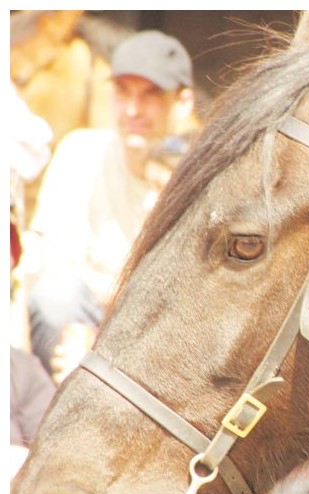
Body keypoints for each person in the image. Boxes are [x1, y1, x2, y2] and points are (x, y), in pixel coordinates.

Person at [26, 30, 195, 381]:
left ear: (183, 102)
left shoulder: (199, 173)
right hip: (83, 331)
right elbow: (52, 270)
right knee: (55, 296)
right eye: (123, 92)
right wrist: (82, 345)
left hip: (164, 340)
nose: (133, 109)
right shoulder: (79, 153)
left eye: (150, 94)